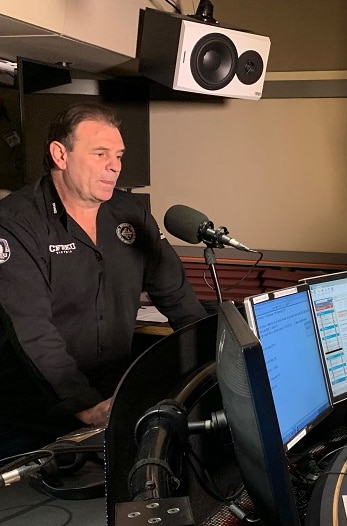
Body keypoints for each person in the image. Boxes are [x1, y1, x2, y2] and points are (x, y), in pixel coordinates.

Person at [0, 102, 207, 459]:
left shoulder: (131, 214)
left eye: (119, 155)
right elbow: (33, 329)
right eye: (100, 153)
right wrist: (87, 407)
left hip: (112, 405)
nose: (115, 166)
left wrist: (216, 363)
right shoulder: (16, 223)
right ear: (60, 155)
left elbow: (178, 298)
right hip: (33, 421)